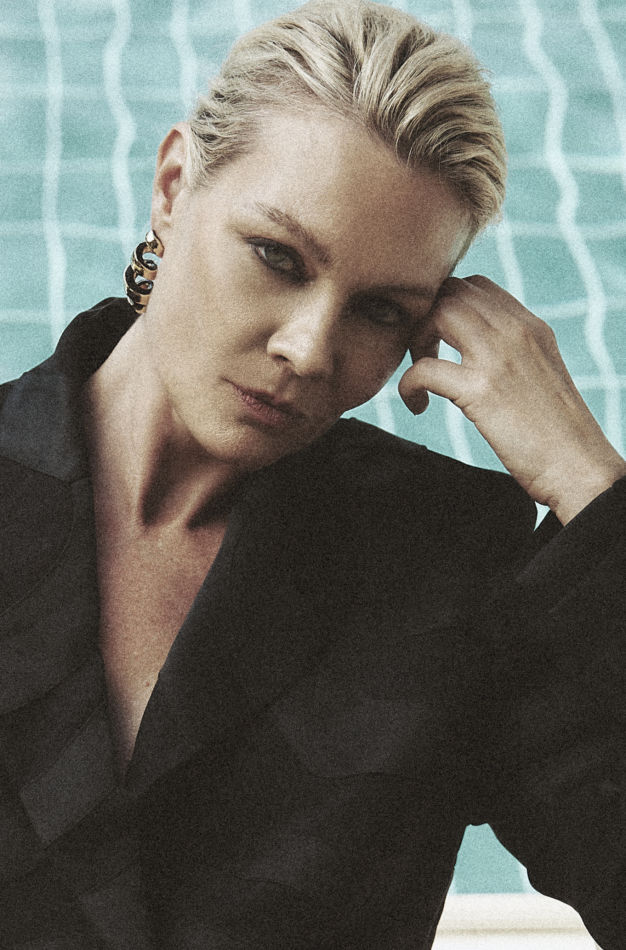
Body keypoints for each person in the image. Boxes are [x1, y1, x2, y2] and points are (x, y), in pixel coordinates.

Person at [0, 1, 624, 947]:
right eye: (277, 257)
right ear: (172, 187)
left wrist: (593, 487)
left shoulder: (447, 567)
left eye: (380, 311)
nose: (308, 347)